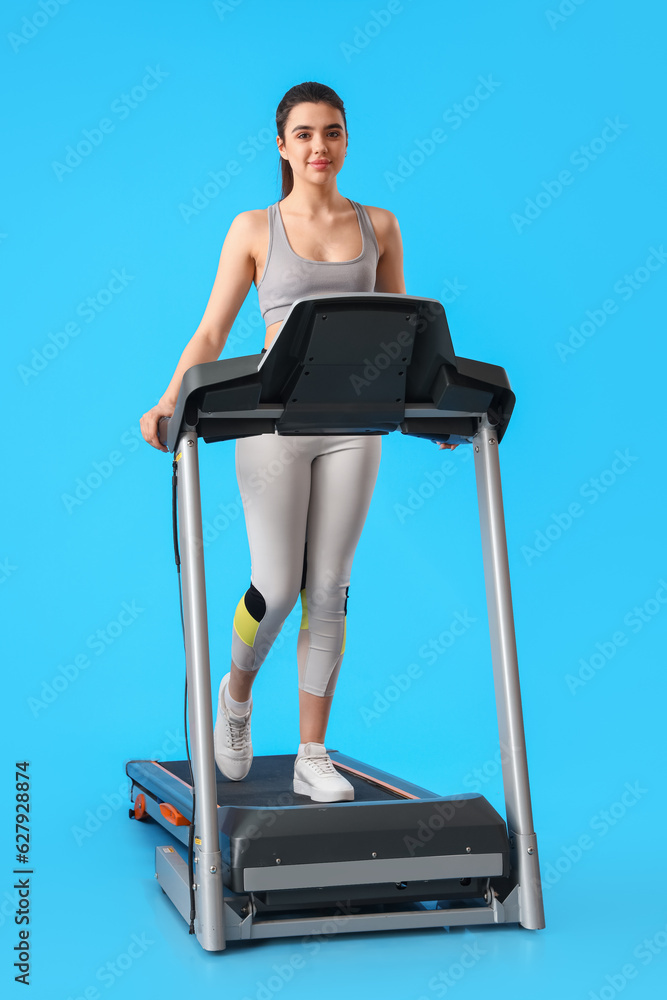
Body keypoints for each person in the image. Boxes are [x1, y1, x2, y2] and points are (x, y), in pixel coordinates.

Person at [140, 81, 456, 803]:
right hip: (273, 422)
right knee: (278, 587)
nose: (320, 146)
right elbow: (213, 331)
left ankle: (314, 752)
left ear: (347, 142)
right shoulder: (255, 227)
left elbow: (405, 330)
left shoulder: (380, 225)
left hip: (355, 426)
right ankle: (238, 696)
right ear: (282, 146)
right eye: (306, 134)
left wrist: (435, 408)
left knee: (329, 591)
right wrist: (167, 400)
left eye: (333, 132)